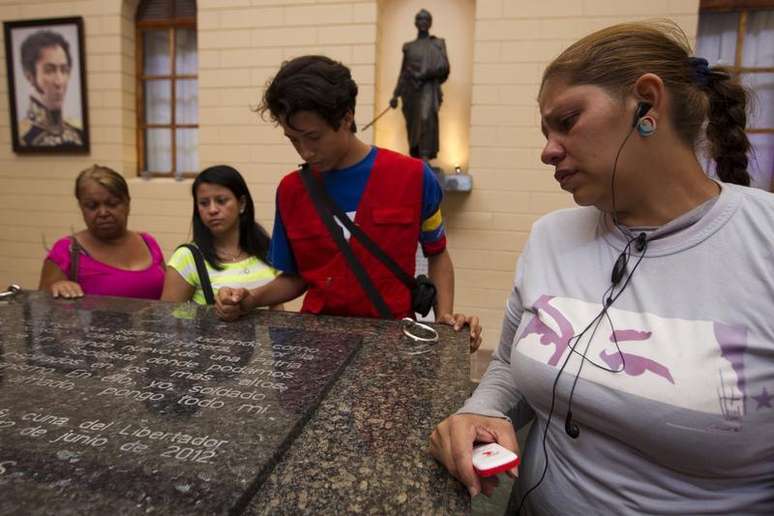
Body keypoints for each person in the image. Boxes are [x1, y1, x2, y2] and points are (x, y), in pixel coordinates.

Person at [429, 21, 774, 513]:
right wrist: (480, 409)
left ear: (647, 105)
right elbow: (508, 362)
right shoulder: (550, 236)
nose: (547, 149)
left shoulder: (764, 244)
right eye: (546, 132)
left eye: (566, 121)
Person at [215, 55, 481, 350]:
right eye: (293, 139)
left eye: (313, 137)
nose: (305, 151)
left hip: (391, 342)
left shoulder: (414, 177)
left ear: (346, 117)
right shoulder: (291, 191)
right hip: (314, 346)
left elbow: (438, 253)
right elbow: (296, 279)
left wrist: (444, 315)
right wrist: (250, 299)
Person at [162, 165, 281, 308]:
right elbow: (169, 320)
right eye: (204, 203)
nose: (212, 210)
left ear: (242, 203)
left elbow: (277, 309)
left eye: (221, 200)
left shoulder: (266, 248)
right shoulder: (187, 257)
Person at [39, 165, 165, 299]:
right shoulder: (67, 252)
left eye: (112, 204)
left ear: (127, 203)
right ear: (81, 207)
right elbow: (41, 311)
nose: (103, 213)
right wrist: (58, 287)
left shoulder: (147, 242)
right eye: (92, 206)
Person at [389, 9, 449, 161]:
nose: (423, 22)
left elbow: (444, 67)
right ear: (416, 23)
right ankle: (417, 155)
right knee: (413, 125)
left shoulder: (437, 43)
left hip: (429, 87)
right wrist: (396, 95)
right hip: (411, 91)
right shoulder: (408, 46)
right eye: (420, 19)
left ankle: (425, 156)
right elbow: (403, 72)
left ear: (430, 23)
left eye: (426, 19)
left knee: (426, 118)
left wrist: (425, 74)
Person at [19, 30, 84, 147]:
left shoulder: (78, 132)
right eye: (49, 70)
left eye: (64, 70)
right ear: (30, 76)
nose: (59, 82)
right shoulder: (24, 137)